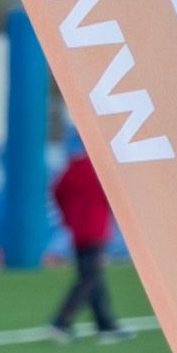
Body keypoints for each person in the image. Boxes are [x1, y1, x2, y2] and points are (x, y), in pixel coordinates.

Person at [49, 137, 128, 338]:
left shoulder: (74, 166)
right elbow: (116, 197)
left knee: (93, 276)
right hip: (96, 230)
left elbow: (57, 191)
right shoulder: (102, 169)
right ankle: (61, 320)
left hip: (78, 230)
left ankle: (105, 324)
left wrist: (68, 216)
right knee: (89, 278)